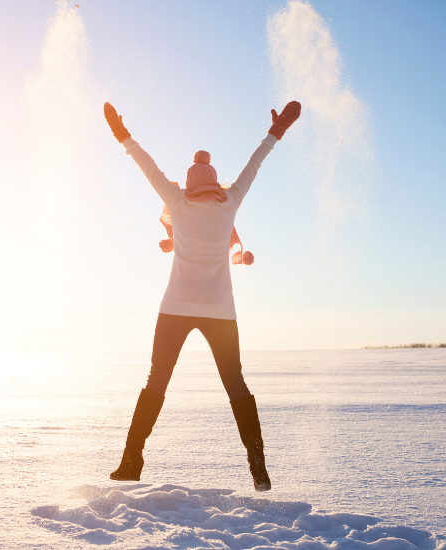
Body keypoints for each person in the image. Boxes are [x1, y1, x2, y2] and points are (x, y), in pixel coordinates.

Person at [103, 100, 301, 491]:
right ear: (214, 181)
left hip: (175, 308)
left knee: (156, 380)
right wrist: (276, 131)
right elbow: (255, 163)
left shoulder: (176, 202)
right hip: (220, 312)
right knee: (236, 383)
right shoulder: (230, 201)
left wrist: (121, 133)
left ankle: (131, 462)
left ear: (190, 184)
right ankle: (258, 466)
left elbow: (146, 165)